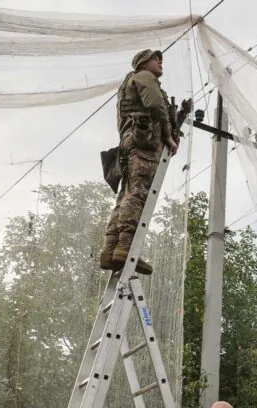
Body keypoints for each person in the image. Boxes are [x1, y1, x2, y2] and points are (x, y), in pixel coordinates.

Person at [99, 48, 192, 276]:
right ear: (142, 62)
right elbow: (154, 105)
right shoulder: (144, 77)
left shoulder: (130, 83)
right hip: (144, 144)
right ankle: (126, 248)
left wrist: (179, 116)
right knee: (138, 193)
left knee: (126, 195)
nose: (160, 61)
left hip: (130, 144)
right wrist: (169, 136)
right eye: (155, 58)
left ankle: (110, 250)